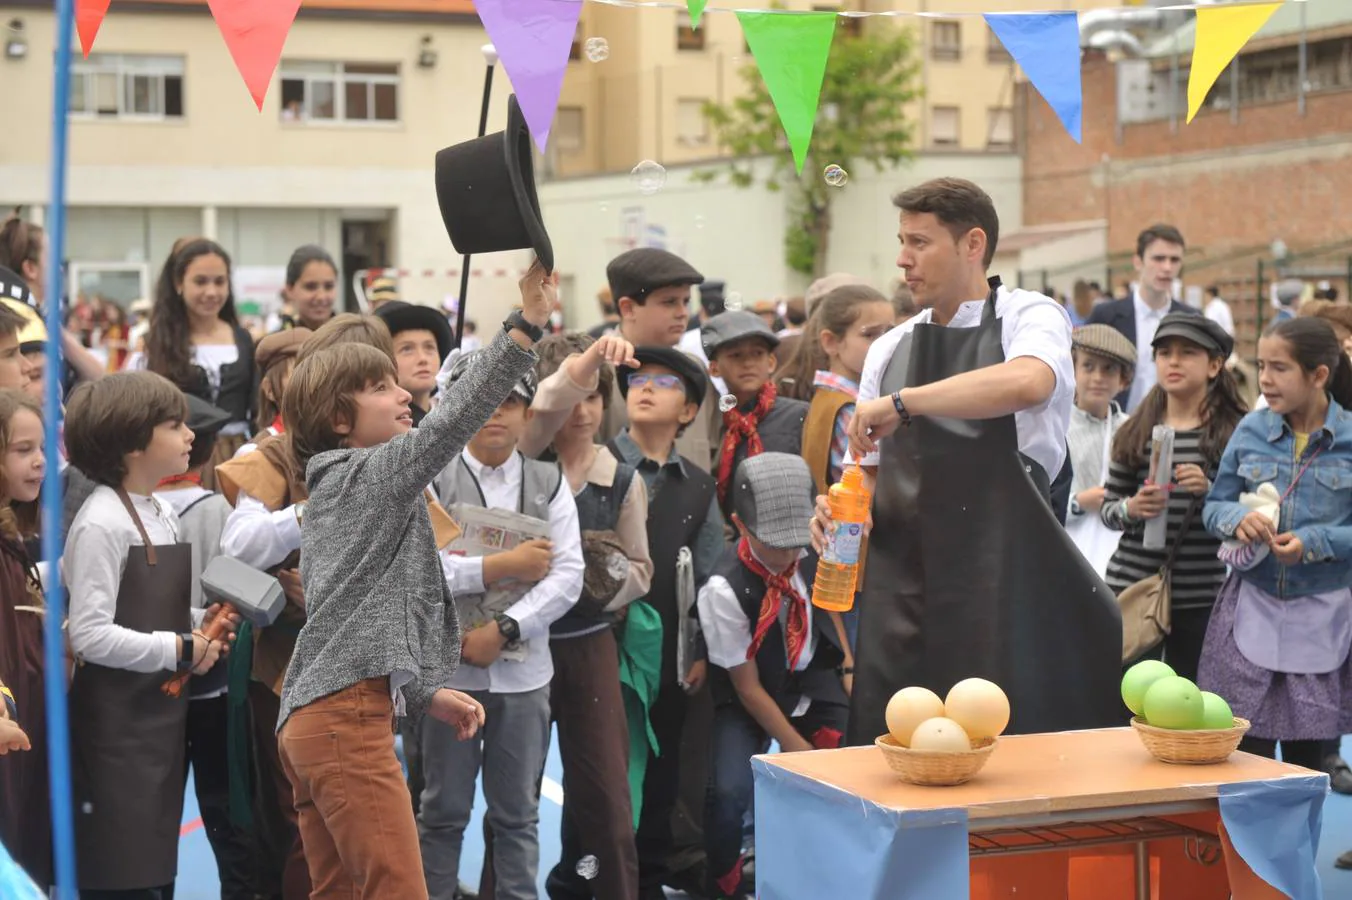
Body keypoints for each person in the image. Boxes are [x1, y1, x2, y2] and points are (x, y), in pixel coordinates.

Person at [811, 177, 1122, 745]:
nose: (903, 260)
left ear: (972, 243)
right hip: (908, 587)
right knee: (904, 753)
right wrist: (840, 514)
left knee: (1013, 746)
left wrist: (906, 402)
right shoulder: (891, 347)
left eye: (920, 242)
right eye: (902, 241)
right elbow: (870, 478)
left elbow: (1028, 382)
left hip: (1008, 574)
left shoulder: (1032, 314)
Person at [274, 264, 552, 896]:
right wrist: (525, 324)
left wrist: (425, 691)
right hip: (344, 720)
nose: (403, 395)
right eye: (379, 387)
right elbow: (452, 420)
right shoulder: (362, 475)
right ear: (338, 420)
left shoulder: (341, 490)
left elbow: (361, 617)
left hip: (318, 716)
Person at [214, 314, 399, 900]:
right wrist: (313, 514)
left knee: (355, 850)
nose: (389, 392)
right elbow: (237, 545)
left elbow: (432, 561)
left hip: (373, 671)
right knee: (299, 834)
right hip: (285, 668)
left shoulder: (395, 454)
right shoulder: (271, 452)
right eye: (364, 379)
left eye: (380, 376)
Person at [418, 353, 583, 900]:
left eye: (509, 401)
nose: (496, 413)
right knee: (441, 812)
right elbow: (420, 569)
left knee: (518, 816)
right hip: (449, 676)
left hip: (525, 674)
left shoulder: (549, 479)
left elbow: (569, 575)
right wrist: (499, 567)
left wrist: (507, 628)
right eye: (484, 401)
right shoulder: (430, 479)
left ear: (526, 410)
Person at [64, 371, 234, 899]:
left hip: (159, 723)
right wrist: (181, 647)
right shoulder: (101, 523)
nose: (190, 436)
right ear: (132, 441)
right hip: (115, 732)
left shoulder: (158, 511)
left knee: (156, 867)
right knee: (119, 871)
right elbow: (90, 634)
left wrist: (198, 623)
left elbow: (150, 607)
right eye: (174, 424)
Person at [1196, 317, 1352, 870]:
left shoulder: (1350, 436)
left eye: (1278, 367)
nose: (1264, 378)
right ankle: (1250, 874)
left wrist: (1314, 542)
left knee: (1308, 766)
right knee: (1246, 761)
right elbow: (1214, 504)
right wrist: (1236, 519)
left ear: (1319, 375)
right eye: (1260, 365)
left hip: (1324, 617)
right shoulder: (1251, 431)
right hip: (1250, 614)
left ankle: (1295, 874)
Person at [525, 333, 652, 900]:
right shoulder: (524, 465)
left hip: (590, 641)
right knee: (513, 795)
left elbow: (643, 570)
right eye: (575, 397)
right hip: (520, 642)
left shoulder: (624, 479)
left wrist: (600, 576)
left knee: (605, 795)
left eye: (597, 396)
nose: (583, 410)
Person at [699, 453, 848, 900]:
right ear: (741, 525)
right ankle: (725, 880)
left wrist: (850, 670)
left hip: (809, 675)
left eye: (795, 541)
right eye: (774, 543)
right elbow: (747, 688)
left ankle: (822, 869)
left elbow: (830, 606)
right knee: (727, 792)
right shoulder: (723, 589)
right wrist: (796, 748)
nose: (788, 555)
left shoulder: (812, 545)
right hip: (751, 692)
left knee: (846, 761)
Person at [607, 346, 724, 900]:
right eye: (636, 379)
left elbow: (706, 576)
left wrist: (698, 648)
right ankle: (593, 873)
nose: (645, 386)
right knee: (600, 761)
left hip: (671, 649)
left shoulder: (698, 485)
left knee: (661, 762)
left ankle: (649, 874)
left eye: (664, 382)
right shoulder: (599, 464)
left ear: (688, 412)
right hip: (601, 644)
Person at [1100, 314, 1246, 683]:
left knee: (1188, 703)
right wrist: (1131, 508)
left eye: (1187, 352)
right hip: (1132, 587)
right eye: (1164, 352)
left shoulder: (1236, 435)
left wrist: (1210, 493)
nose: (1173, 361)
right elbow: (1108, 509)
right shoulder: (1136, 429)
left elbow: (1249, 514)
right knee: (1124, 700)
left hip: (1199, 596)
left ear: (1215, 365)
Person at [153, 394, 260, 899]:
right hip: (215, 685)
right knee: (225, 809)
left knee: (155, 819)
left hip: (154, 682)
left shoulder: (133, 509)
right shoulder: (221, 509)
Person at [133, 238, 257, 476]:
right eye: (200, 281)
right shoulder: (155, 344)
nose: (211, 292)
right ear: (179, 283)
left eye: (219, 282)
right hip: (179, 462)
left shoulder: (243, 340)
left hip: (240, 458)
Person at [601, 249, 719, 472]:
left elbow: (713, 452)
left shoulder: (695, 369)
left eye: (686, 301)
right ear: (628, 308)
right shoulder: (598, 371)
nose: (682, 312)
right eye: (669, 302)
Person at [0, 390, 50, 888]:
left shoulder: (13, 535)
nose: (39, 462)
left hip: (24, 719)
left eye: (41, 448)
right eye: (22, 450)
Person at [701, 310, 809, 518]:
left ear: (771, 363)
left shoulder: (799, 415)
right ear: (714, 369)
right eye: (735, 355)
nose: (748, 363)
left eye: (757, 353)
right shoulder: (713, 421)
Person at [1086, 225, 1198, 412]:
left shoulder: (1191, 319)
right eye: (1159, 259)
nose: (1167, 267)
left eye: (1174, 260)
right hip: (1114, 426)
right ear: (1138, 262)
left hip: (1170, 426)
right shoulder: (1106, 316)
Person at [0, 216, 107, 389]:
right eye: (52, 259)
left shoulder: (38, 317)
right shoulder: (24, 326)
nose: (59, 269)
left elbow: (98, 376)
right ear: (31, 269)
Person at [1064, 325, 1135, 576]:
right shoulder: (1058, 428)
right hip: (1069, 551)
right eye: (1088, 366)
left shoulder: (1131, 429)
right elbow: (1038, 497)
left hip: (1120, 552)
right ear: (1072, 370)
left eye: (1109, 369)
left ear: (1123, 380)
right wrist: (1077, 502)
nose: (1098, 377)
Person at [375, 300, 454, 425]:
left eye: (429, 347)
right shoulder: (381, 431)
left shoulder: (453, 420)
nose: (423, 358)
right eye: (407, 349)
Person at [277, 246, 339, 333]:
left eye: (328, 286)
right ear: (290, 289)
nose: (321, 297)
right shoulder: (275, 344)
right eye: (311, 287)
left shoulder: (353, 339)